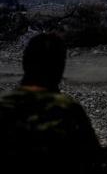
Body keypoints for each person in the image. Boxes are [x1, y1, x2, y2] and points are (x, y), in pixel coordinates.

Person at [0, 33, 100, 173]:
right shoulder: (67, 109)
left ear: (24, 63)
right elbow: (93, 158)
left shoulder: (3, 104)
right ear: (60, 67)